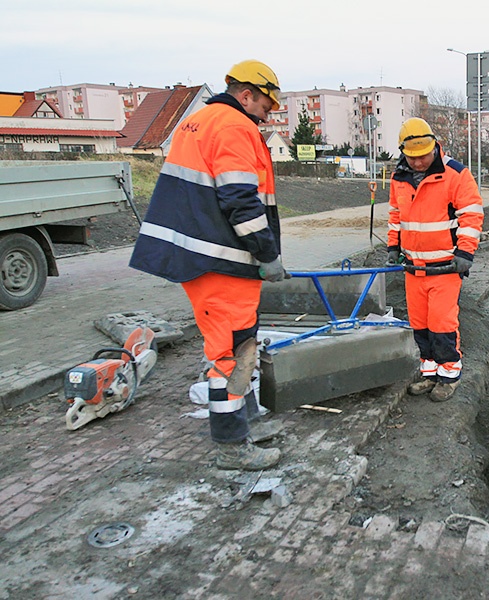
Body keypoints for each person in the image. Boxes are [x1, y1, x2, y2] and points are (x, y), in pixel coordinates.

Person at [130, 59, 287, 469]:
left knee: (241, 341)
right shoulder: (234, 126)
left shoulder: (199, 120)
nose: (267, 116)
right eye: (266, 107)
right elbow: (240, 199)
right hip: (220, 259)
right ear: (247, 94)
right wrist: (268, 254)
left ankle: (247, 419)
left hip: (208, 256)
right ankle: (233, 445)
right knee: (231, 353)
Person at [386, 117, 484, 402]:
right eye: (412, 157)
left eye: (424, 156)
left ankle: (449, 375)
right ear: (404, 152)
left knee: (442, 323)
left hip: (444, 267)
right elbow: (396, 215)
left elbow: (471, 214)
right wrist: (394, 246)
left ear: (434, 146)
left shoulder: (455, 174)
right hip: (414, 268)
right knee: (420, 324)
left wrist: (465, 252)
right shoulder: (398, 178)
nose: (418, 162)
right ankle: (429, 372)